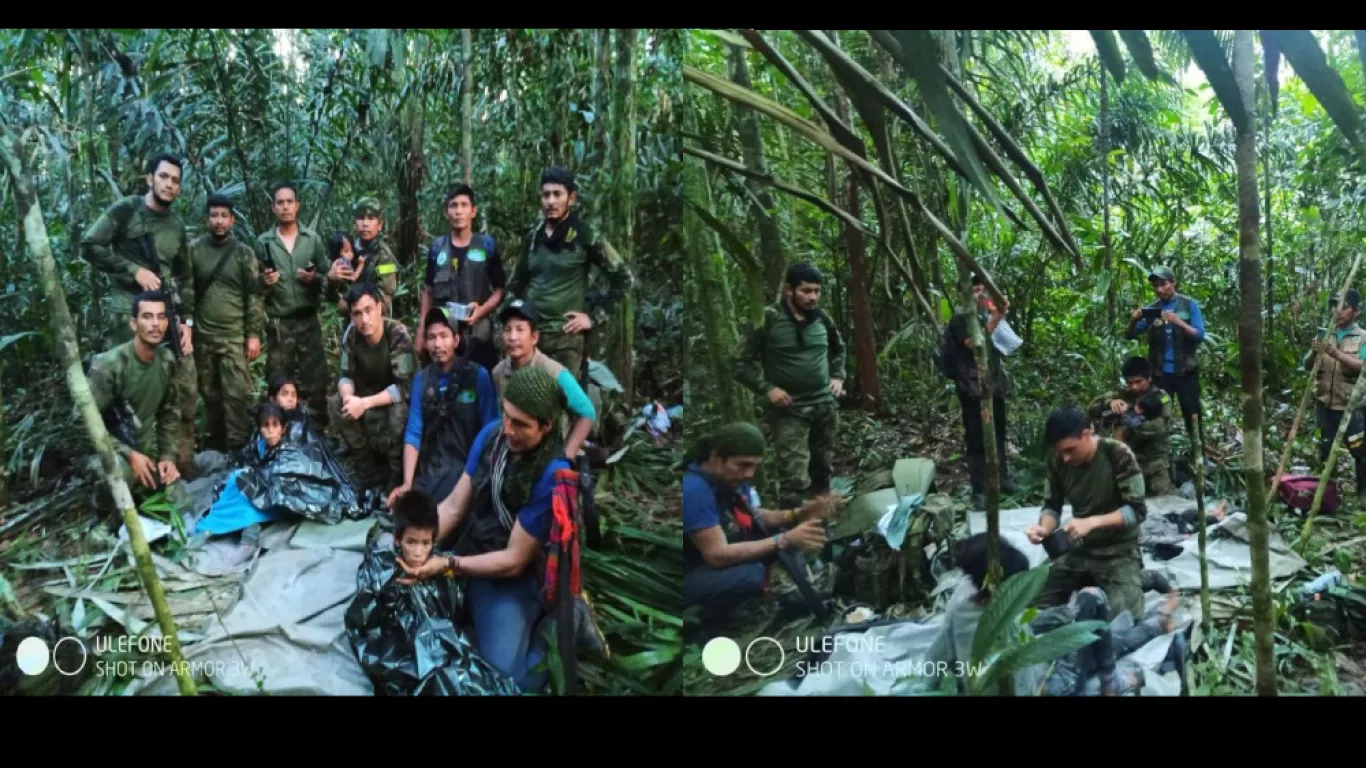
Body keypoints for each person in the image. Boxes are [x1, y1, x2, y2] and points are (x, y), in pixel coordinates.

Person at [394, 366, 575, 692]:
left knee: (506, 681)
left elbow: (515, 560)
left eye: (521, 424)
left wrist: (448, 565)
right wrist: (416, 541)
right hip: (474, 549)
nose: (509, 429)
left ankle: (554, 627)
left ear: (546, 426)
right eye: (506, 415)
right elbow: (454, 506)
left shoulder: (551, 474)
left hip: (512, 576)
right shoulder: (492, 436)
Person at [924, 533, 1178, 696]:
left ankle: (1156, 624)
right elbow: (1026, 687)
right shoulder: (1005, 630)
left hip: (1032, 657)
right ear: (1003, 585)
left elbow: (935, 657)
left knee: (1082, 625)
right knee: (1094, 609)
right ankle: (1115, 680)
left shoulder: (963, 600)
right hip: (1051, 684)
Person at [80, 152, 198, 472]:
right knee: (126, 394)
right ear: (150, 179)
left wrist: (187, 322)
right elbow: (89, 245)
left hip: (167, 315)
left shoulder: (176, 226)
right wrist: (133, 271)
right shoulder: (127, 211)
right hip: (127, 316)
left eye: (175, 180)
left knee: (182, 388)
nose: (169, 184)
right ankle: (128, 465)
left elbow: (186, 277)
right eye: (163, 177)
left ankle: (176, 465)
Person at [682, 422, 830, 638]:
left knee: (783, 534)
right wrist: (784, 539)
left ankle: (794, 589)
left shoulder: (729, 480)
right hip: (691, 573)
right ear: (715, 457)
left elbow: (754, 515)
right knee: (751, 574)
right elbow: (716, 555)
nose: (749, 473)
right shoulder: (694, 490)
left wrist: (798, 514)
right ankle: (704, 624)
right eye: (742, 465)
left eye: (754, 466)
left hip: (715, 554)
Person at [734, 262, 846, 510]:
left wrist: (838, 376)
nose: (812, 297)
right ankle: (792, 527)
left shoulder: (822, 319)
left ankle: (821, 522)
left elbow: (839, 348)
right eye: (806, 291)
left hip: (824, 406)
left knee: (823, 469)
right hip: (790, 410)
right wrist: (768, 389)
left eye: (816, 291)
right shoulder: (768, 319)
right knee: (794, 478)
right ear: (788, 290)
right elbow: (739, 364)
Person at [506, 167, 632, 376]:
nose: (551, 201)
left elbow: (624, 278)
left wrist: (593, 317)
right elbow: (514, 284)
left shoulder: (585, 234)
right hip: (531, 338)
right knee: (525, 394)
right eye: (546, 195)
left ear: (571, 198)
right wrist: (513, 324)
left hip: (566, 339)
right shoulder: (533, 237)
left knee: (562, 395)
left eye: (557, 194)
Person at [1025, 407, 1147, 621]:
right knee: (1026, 601)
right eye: (1061, 451)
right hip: (1078, 550)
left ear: (1086, 434)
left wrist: (1091, 522)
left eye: (1070, 450)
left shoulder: (1117, 454)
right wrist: (1044, 528)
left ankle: (1144, 578)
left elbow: (1136, 511)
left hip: (1118, 551)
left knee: (1125, 618)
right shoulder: (1058, 459)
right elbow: (1052, 505)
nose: (1065, 458)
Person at [388, 305, 501, 507]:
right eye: (431, 337)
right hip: (431, 469)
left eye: (444, 336)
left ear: (456, 340)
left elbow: (491, 429)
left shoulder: (478, 376)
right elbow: (414, 432)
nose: (437, 344)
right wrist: (407, 483)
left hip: (467, 470)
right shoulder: (422, 380)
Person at [83, 291, 183, 511]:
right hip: (111, 451)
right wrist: (129, 455)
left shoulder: (166, 361)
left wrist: (167, 457)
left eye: (161, 317)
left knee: (181, 503)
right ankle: (104, 514)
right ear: (133, 323)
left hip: (145, 450)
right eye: (147, 316)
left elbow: (169, 413)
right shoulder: (109, 366)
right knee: (117, 476)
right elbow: (82, 423)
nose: (155, 324)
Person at [189, 194, 265, 452]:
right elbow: (186, 291)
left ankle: (238, 450)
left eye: (224, 216)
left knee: (237, 397)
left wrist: (253, 334)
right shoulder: (194, 250)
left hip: (234, 337)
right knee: (210, 396)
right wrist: (186, 327)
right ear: (206, 219)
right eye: (214, 216)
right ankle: (216, 449)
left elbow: (254, 295)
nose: (219, 221)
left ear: (232, 220)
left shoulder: (243, 253)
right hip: (203, 337)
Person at [258, 181, 333, 431]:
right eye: (280, 202)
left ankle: (316, 432)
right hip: (279, 323)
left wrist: (314, 279)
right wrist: (264, 282)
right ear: (273, 207)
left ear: (297, 205)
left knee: (315, 377)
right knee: (279, 379)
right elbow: (254, 285)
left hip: (308, 320)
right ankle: (280, 431)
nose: (285, 207)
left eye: (289, 202)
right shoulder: (264, 242)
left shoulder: (311, 240)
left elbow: (328, 276)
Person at [329, 283, 416, 491]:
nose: (364, 319)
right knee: (336, 403)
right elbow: (345, 376)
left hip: (393, 400)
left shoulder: (397, 334)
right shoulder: (352, 336)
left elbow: (405, 387)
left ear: (379, 307)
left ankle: (396, 477)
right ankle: (367, 470)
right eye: (357, 314)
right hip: (366, 396)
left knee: (399, 413)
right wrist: (349, 399)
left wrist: (364, 404)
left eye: (368, 310)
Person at [489, 299, 597, 459]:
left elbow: (587, 413)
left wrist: (568, 454)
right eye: (507, 330)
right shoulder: (498, 372)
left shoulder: (553, 372)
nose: (512, 337)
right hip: (515, 449)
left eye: (520, 330)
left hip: (550, 453)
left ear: (534, 337)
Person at [945, 274, 1017, 507]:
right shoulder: (960, 319)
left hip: (993, 385)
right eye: (974, 290)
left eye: (981, 290)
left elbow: (1003, 344)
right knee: (976, 438)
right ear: (963, 294)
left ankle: (1002, 477)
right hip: (971, 388)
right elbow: (975, 344)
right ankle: (979, 489)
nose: (979, 295)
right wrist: (996, 317)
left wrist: (998, 314)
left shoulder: (986, 315)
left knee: (999, 433)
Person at [419, 185, 506, 372]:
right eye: (453, 205)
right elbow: (428, 290)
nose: (458, 211)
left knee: (479, 381)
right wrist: (422, 331)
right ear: (446, 212)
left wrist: (481, 310)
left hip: (477, 334)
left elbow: (500, 290)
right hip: (443, 336)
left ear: (473, 211)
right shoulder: (437, 248)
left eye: (464, 205)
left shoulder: (486, 246)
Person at [1125, 265, 1205, 444]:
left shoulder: (1189, 305)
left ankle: (1198, 452)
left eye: (1163, 284)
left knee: (1192, 414)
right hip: (1160, 375)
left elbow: (1199, 335)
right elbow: (1130, 334)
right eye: (1156, 286)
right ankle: (1159, 451)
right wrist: (1134, 320)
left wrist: (1178, 322)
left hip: (1186, 373)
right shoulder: (1152, 309)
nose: (1160, 289)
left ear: (1173, 283)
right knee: (1156, 413)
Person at [1305, 289, 1366, 499]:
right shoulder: (1325, 334)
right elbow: (1307, 365)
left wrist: (1336, 354)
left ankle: (1363, 496)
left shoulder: (1363, 338)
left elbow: (1363, 366)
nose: (1337, 311)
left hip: (1351, 406)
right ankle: (1329, 497)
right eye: (1334, 305)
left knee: (1360, 451)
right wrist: (1314, 353)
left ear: (1356, 312)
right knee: (1325, 450)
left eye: (1344, 307)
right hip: (1324, 404)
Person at [1087, 356, 1174, 497]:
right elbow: (1092, 408)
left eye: (1138, 382)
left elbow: (1160, 428)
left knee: (1164, 501)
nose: (1134, 387)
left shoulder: (1161, 397)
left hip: (1154, 464)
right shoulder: (1122, 394)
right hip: (1126, 463)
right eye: (1130, 383)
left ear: (1149, 378)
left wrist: (1128, 419)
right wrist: (1110, 403)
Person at [328, 197, 400, 315]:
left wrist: (349, 306)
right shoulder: (346, 249)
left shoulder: (385, 258)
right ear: (354, 223)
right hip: (349, 322)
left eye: (371, 218)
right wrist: (330, 279)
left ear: (380, 225)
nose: (365, 224)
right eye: (361, 218)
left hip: (372, 321)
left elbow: (383, 301)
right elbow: (329, 294)